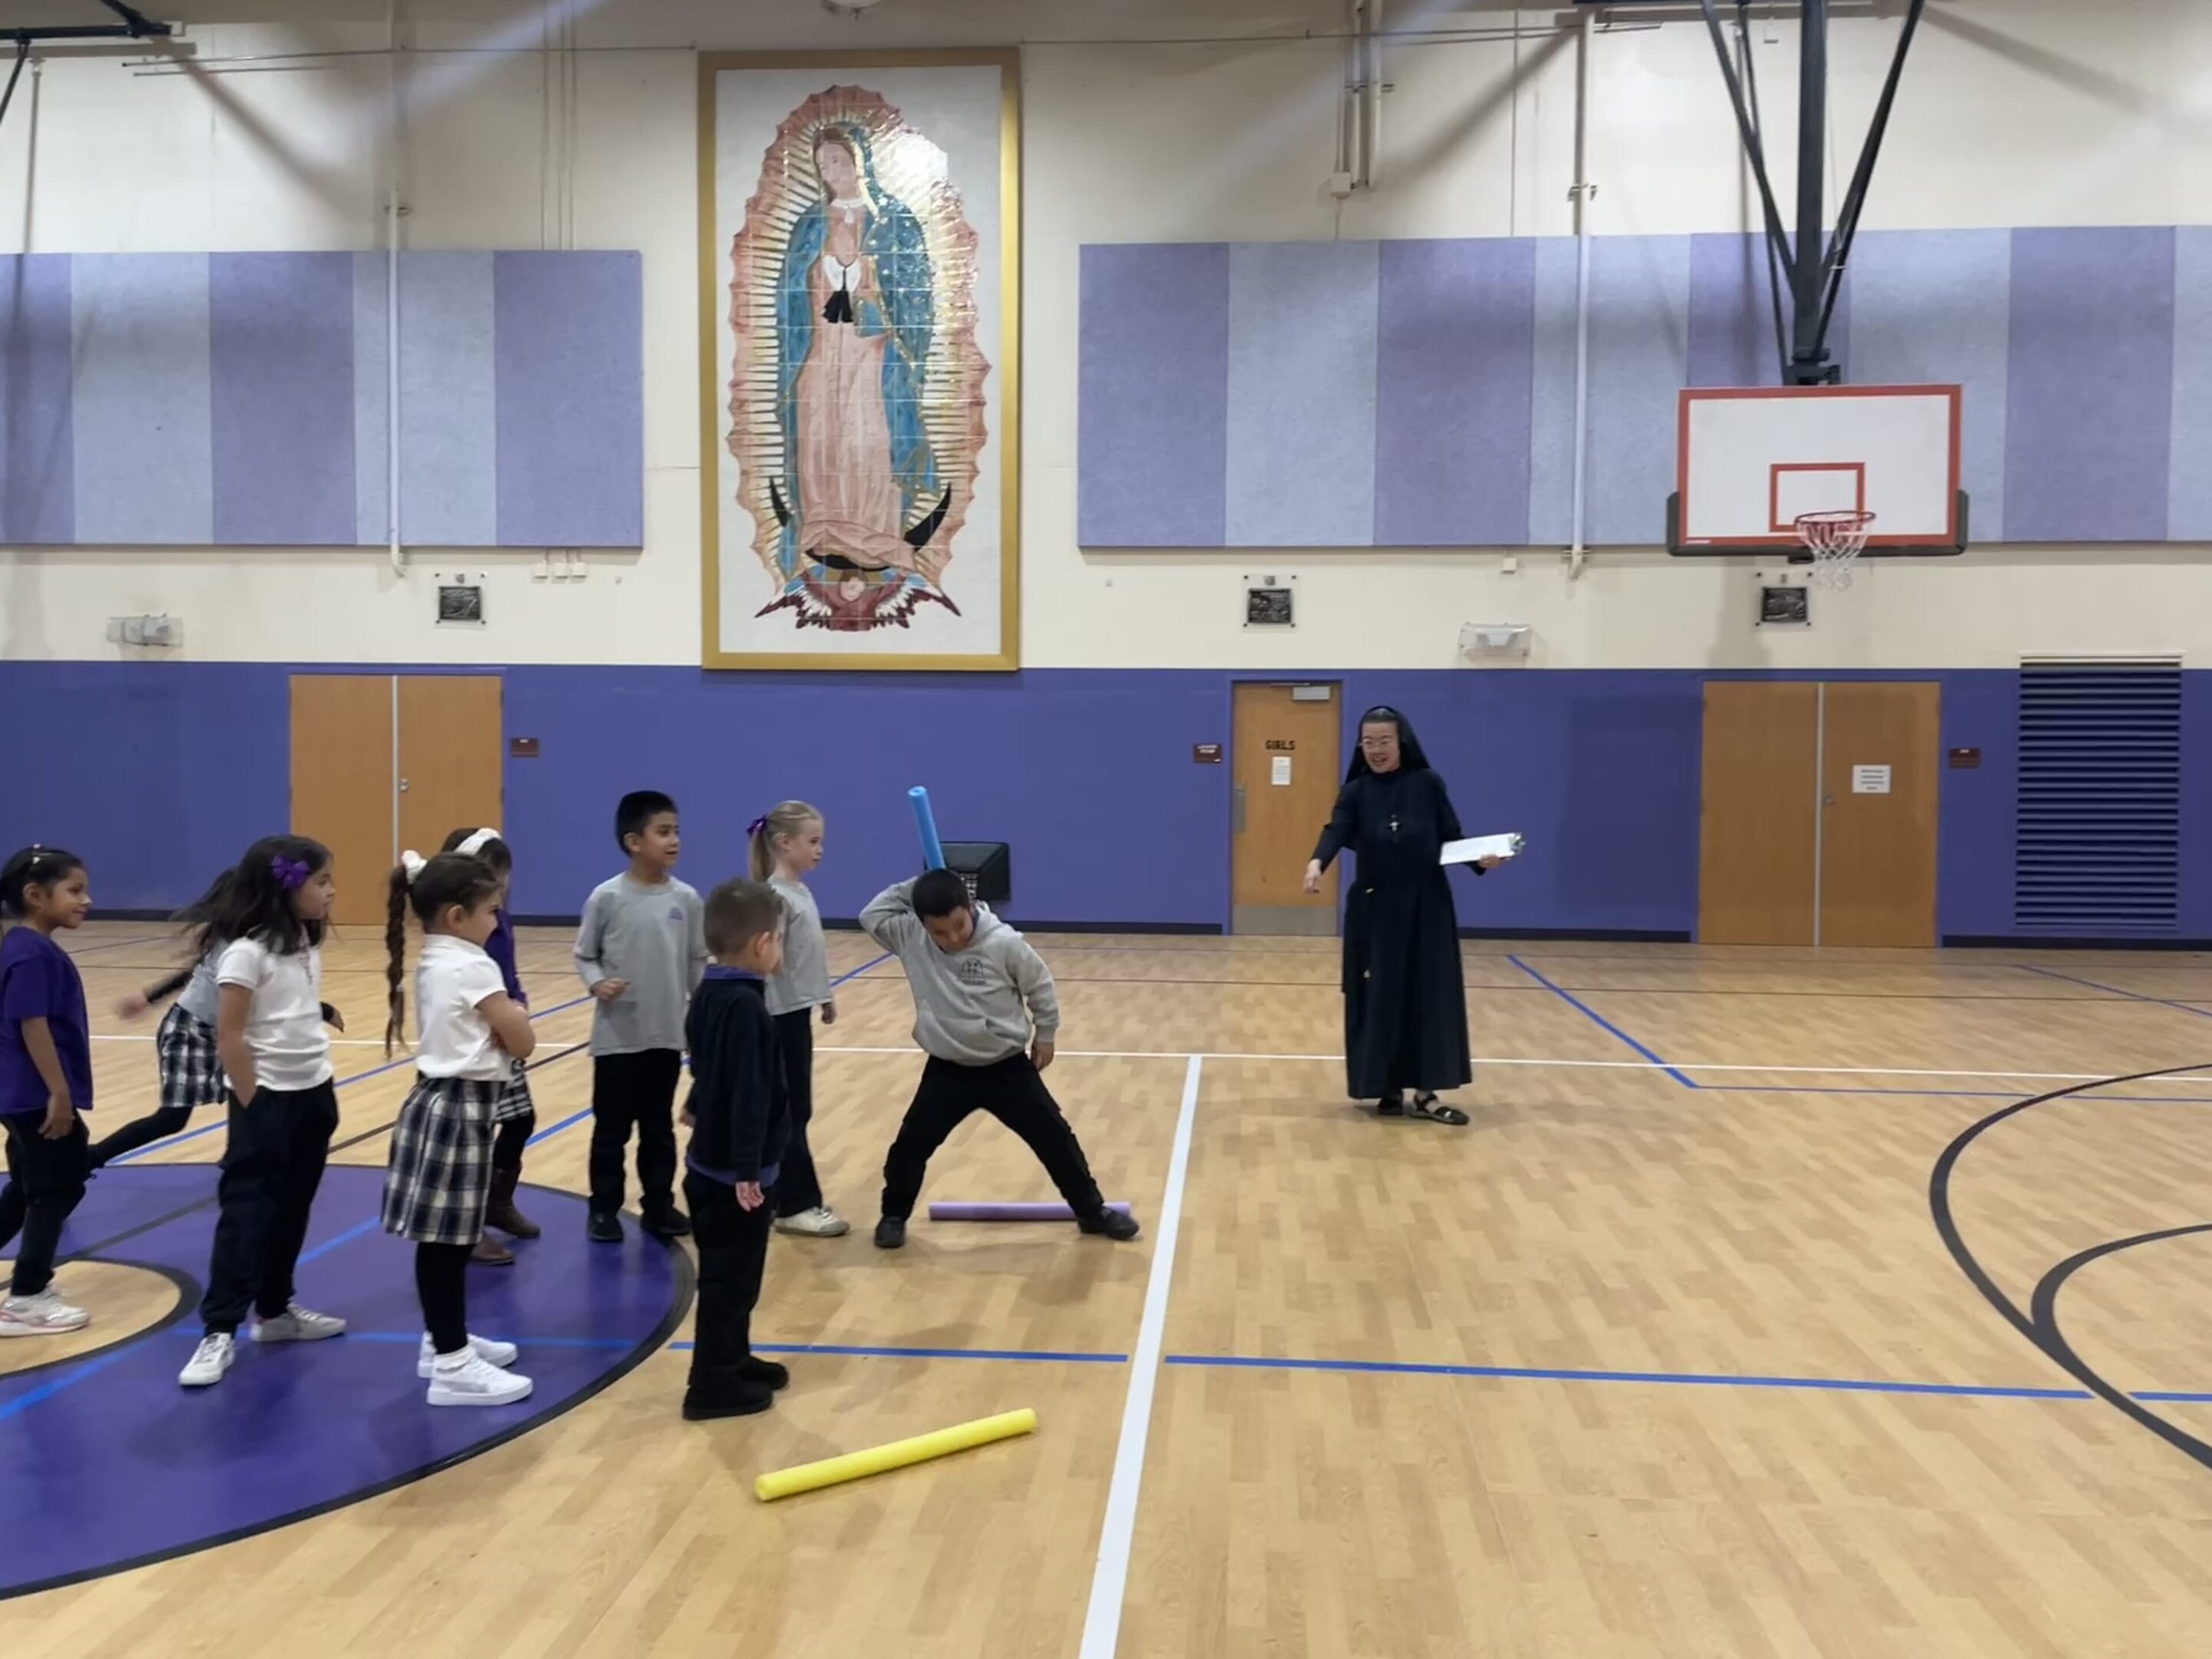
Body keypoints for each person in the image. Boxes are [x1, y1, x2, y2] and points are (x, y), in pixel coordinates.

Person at [860, 869, 1137, 1250]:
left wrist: (1047, 1033)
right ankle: (893, 1215)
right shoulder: (910, 937)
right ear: (922, 924)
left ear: (971, 906)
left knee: (1056, 1140)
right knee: (910, 1147)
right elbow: (870, 915)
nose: (953, 938)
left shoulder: (1004, 943)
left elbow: (1040, 986)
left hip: (1006, 1067)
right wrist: (923, 884)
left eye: (959, 925)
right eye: (940, 931)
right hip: (948, 1070)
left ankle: (1091, 1212)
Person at [179, 836, 349, 1389]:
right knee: (247, 1214)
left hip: (314, 1095)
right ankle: (219, 1329)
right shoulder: (244, 953)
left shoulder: (303, 941)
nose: (331, 891)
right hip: (266, 1101)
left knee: (294, 1207)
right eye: (322, 881)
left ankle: (276, 1311)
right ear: (287, 885)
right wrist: (254, 1102)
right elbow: (229, 1036)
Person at [380, 851, 536, 1406]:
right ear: (456, 916)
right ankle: (451, 1365)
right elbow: (522, 1039)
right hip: (460, 1107)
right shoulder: (473, 965)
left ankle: (441, 1341)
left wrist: (506, 1020)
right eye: (492, 911)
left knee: (446, 1241)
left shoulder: (438, 956)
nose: (498, 922)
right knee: (448, 1243)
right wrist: (514, 1018)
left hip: (444, 1102)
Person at [1302, 706, 1505, 1126]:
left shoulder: (1428, 785)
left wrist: (1481, 862)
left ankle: (1427, 1093)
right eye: (1368, 742)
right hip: (1375, 909)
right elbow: (1336, 829)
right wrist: (1318, 862)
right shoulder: (1355, 791)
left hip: (1427, 907)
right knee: (1380, 997)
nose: (1376, 749)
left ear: (1402, 743)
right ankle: (1386, 1088)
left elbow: (1451, 838)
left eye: (1384, 741)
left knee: (1428, 994)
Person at [677, 878, 792, 1421]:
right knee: (728, 1281)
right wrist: (748, 1169)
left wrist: (699, 1100)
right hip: (733, 1177)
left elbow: (705, 1061)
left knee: (738, 1279)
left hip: (712, 1166)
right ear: (762, 944)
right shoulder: (746, 1009)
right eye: (781, 941)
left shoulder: (711, 991)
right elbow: (750, 1091)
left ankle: (733, 1357)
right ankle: (711, 1384)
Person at [574, 790, 706, 1244]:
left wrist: (699, 1020)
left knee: (658, 1130)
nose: (674, 841)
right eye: (663, 832)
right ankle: (604, 1209)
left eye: (676, 832)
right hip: (617, 1038)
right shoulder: (607, 898)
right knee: (611, 1130)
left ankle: (658, 1205)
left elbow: (696, 965)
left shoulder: (686, 900)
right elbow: (585, 955)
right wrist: (596, 983)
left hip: (665, 1037)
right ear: (634, 841)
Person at [0, 846, 94, 1337]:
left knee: (33, 1185)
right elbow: (30, 1024)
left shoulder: (27, 947)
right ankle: (27, 1297)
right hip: (35, 1095)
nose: (87, 900)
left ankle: (27, 1291)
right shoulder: (31, 953)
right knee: (55, 1188)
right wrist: (58, 1093)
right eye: (75, 891)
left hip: (23, 1093)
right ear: (35, 897)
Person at [439, 827, 539, 1264]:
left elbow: (508, 976)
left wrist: (519, 1006)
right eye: (493, 881)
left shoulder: (501, 920)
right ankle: (469, 1221)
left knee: (520, 1120)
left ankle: (498, 1202)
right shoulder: (454, 940)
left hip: (503, 1034)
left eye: (504, 880)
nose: (502, 890)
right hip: (473, 1046)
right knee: (474, 1138)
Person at [749, 801, 846, 1239]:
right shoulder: (774, 898)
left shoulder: (799, 891)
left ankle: (775, 1195)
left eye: (821, 841)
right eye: (813, 841)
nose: (820, 849)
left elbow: (808, 956)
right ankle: (796, 1204)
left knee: (793, 1109)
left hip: (796, 1012)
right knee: (790, 1111)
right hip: (778, 1017)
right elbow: (768, 961)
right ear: (784, 844)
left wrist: (821, 996)